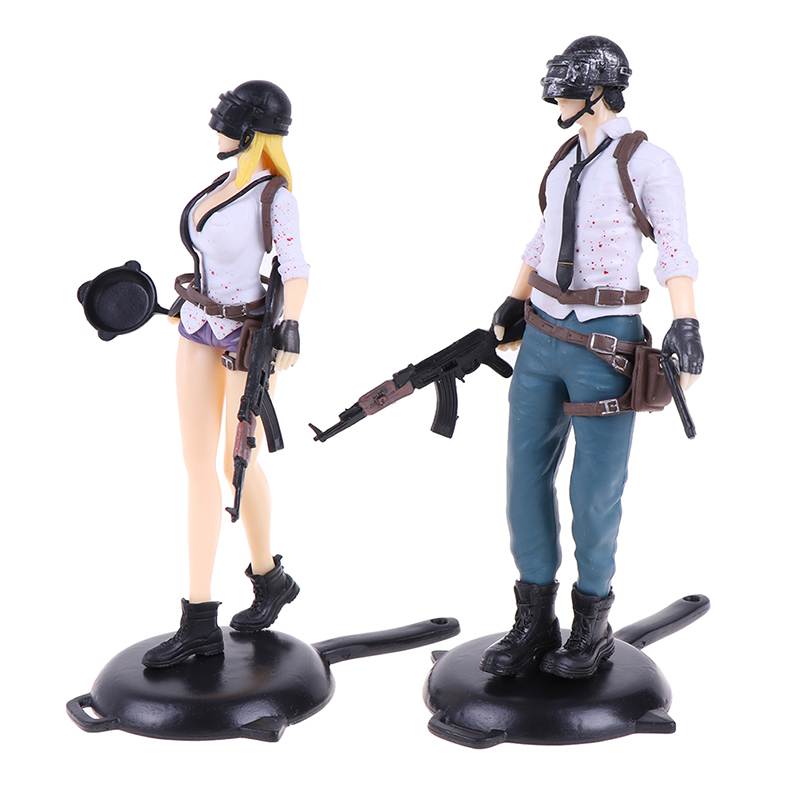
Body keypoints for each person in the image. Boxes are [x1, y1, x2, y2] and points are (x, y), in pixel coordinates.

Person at [480, 37, 703, 680]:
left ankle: (592, 623)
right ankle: (533, 619)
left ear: (599, 92)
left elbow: (675, 248)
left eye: (569, 90)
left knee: (595, 491)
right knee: (524, 478)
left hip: (605, 344)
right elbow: (544, 236)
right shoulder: (563, 160)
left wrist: (686, 322)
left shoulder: (649, 163)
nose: (557, 101)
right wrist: (514, 297)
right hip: (542, 335)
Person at [142, 81, 309, 669]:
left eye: (226, 122)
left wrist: (289, 327)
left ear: (250, 132)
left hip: (247, 338)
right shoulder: (218, 186)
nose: (216, 129)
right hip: (195, 327)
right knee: (197, 468)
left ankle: (268, 579)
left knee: (235, 463)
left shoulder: (274, 197)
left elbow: (296, 268)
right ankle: (200, 620)